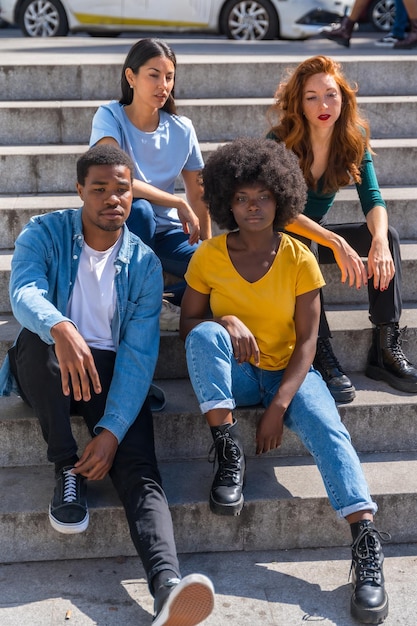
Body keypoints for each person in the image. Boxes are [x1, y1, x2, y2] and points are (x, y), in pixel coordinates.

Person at [0, 144, 214, 626]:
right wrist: (61, 327)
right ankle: (66, 470)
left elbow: (139, 355)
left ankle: (167, 589)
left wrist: (113, 430)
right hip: (50, 362)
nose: (112, 199)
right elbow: (24, 292)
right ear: (80, 191)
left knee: (140, 468)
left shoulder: (143, 263)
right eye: (99, 189)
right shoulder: (44, 233)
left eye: (121, 189)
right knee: (36, 346)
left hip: (112, 374)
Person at [179, 137, 389, 625]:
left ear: (283, 198)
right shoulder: (209, 255)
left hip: (289, 373)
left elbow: (309, 343)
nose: (253, 207)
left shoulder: (299, 257)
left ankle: (365, 543)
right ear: (227, 201)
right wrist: (225, 320)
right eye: (242, 198)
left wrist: (278, 408)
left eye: (264, 197)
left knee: (329, 428)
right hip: (236, 376)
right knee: (206, 333)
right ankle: (228, 453)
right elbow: (189, 326)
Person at [266, 54, 417, 403]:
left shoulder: (353, 136)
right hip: (278, 239)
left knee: (388, 236)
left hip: (314, 234)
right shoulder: (280, 140)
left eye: (331, 94)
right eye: (312, 97)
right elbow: (281, 213)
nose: (323, 104)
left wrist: (377, 240)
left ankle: (385, 345)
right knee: (307, 243)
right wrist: (335, 241)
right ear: (298, 104)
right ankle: (320, 350)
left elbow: (373, 198)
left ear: (344, 98)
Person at [89, 37, 211, 331]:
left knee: (217, 275)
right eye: (153, 75)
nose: (163, 85)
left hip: (168, 234)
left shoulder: (182, 129)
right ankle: (142, 299)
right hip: (121, 229)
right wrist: (175, 201)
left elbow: (198, 191)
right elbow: (117, 180)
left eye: (169, 77)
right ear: (131, 77)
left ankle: (154, 300)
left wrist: (209, 246)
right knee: (140, 209)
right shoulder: (110, 117)